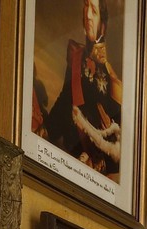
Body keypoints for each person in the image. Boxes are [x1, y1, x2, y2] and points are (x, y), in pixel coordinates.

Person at [41, 0, 122, 175]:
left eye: (93, 10)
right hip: (69, 152)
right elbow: (66, 99)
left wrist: (99, 158)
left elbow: (115, 126)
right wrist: (47, 129)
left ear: (103, 25)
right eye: (86, 6)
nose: (87, 15)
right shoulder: (76, 55)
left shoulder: (110, 76)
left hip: (99, 162)